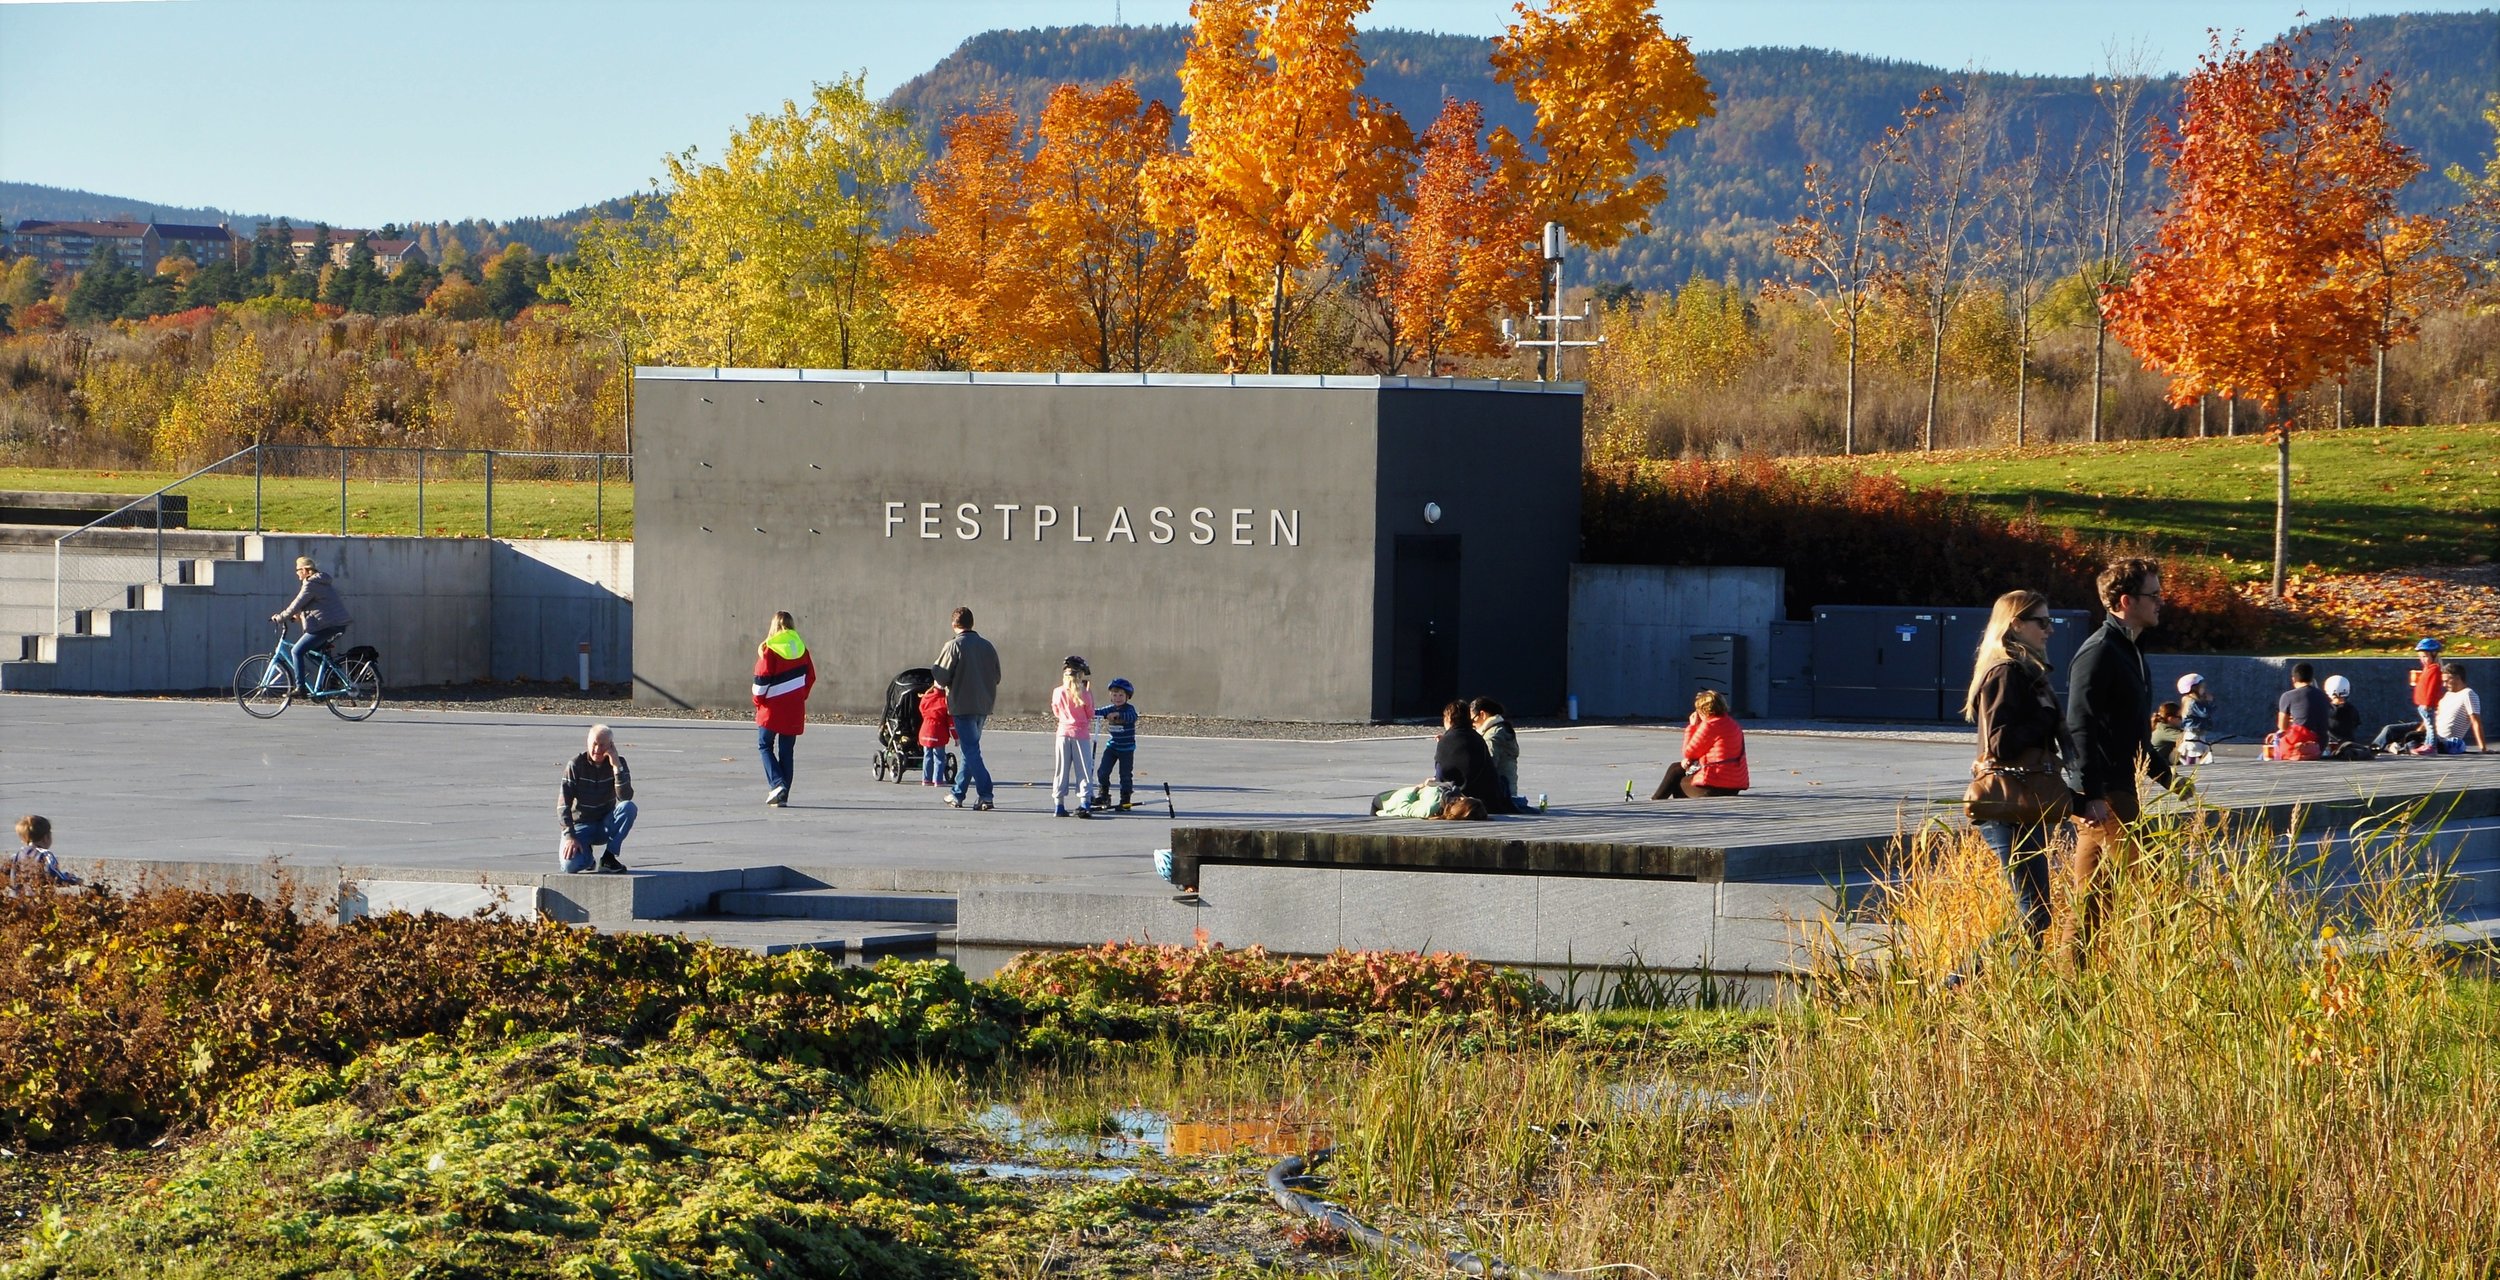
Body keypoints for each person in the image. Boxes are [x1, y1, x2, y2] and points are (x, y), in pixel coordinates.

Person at [2064, 556, 2171, 961]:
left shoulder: (2130, 650)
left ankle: (2070, 987)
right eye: (2153, 595)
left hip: (2118, 787)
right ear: (2126, 601)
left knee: (2092, 899)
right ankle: (2156, 974)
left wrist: (2171, 779)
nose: (2161, 601)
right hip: (2106, 793)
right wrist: (2089, 794)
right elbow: (2080, 727)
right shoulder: (2099, 652)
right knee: (2155, 882)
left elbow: (2131, 734)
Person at [1960, 590, 2067, 945]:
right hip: (2007, 804)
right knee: (2036, 914)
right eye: (2043, 622)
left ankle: (2009, 985)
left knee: (2037, 913)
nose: (2049, 630)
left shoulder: (2024, 671)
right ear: (2016, 624)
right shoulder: (2007, 672)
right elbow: (2002, 744)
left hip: (2021, 804)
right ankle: (1960, 981)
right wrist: (2048, 719)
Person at [932, 606, 1002, 811]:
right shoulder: (988, 646)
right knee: (969, 751)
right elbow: (997, 676)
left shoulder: (953, 646)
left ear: (954, 624)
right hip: (983, 705)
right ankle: (958, 793)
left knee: (971, 751)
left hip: (962, 705)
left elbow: (941, 675)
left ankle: (986, 794)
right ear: (972, 623)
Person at [752, 611, 814, 807]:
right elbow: (810, 677)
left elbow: (761, 680)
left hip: (771, 707)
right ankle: (783, 795)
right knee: (787, 751)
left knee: (764, 745)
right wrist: (800, 696)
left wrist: (758, 700)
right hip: (794, 707)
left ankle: (777, 784)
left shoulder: (769, 649)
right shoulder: (802, 649)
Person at [559, 724, 635, 874]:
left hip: (605, 823)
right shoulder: (575, 765)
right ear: (587, 742)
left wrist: (616, 767)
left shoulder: (619, 763)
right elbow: (563, 806)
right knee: (570, 866)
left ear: (611, 745)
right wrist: (569, 836)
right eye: (594, 744)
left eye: (602, 745)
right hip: (580, 825)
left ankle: (609, 858)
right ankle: (588, 858)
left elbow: (625, 796)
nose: (597, 749)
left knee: (629, 808)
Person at [1652, 689, 1750, 800]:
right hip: (1734, 785)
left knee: (1677, 780)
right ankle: (1656, 800)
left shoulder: (1710, 725)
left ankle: (1656, 802)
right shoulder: (1732, 724)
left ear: (1703, 710)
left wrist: (1692, 727)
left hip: (1714, 786)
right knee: (1676, 767)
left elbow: (1689, 752)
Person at [271, 555, 352, 685]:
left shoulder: (311, 584)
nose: (296, 573)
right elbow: (315, 605)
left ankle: (300, 687)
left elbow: (296, 604)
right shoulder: (320, 582)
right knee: (312, 652)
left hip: (326, 626)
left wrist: (280, 617)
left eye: (298, 570)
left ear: (304, 570)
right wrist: (297, 616)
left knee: (296, 651)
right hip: (334, 624)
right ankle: (333, 677)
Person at [1433, 699, 1516, 814]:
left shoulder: (1446, 741)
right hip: (1489, 799)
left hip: (1461, 802)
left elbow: (1440, 775)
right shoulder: (1479, 737)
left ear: (1449, 719)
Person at [1472, 698, 1541, 812]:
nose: (1472, 724)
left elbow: (1488, 765)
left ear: (1482, 714)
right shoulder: (1501, 728)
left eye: (1472, 720)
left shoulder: (1493, 735)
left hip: (1500, 794)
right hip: (1507, 790)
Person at [1050, 657, 1096, 818]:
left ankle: (1059, 804)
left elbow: (1056, 712)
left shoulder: (1058, 692)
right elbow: (1090, 713)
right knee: (1083, 769)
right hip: (1081, 734)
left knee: (1061, 769)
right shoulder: (1085, 693)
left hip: (1063, 733)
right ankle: (1085, 801)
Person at [1091, 677, 1140, 811]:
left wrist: (1118, 715)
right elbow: (1097, 713)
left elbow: (1133, 717)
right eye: (1115, 695)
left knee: (1125, 775)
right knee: (1103, 771)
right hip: (1112, 747)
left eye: (1121, 695)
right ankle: (1104, 794)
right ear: (1110, 696)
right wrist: (1086, 710)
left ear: (1127, 696)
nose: (1118, 698)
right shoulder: (1109, 709)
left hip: (1127, 749)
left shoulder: (1129, 709)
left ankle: (1125, 798)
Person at [2422, 665, 2487, 754]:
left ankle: (2406, 744)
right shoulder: (2448, 695)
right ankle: (2407, 743)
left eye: (2447, 681)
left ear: (2457, 678)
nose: (2444, 685)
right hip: (2432, 735)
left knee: (2406, 735)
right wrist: (2418, 731)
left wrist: (2483, 748)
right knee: (2400, 729)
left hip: (2445, 741)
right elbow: (2433, 717)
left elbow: (2475, 721)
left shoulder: (2468, 694)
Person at [2272, 662, 2330, 757]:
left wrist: (2292, 722)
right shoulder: (2323, 696)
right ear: (2312, 679)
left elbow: (2282, 727)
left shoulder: (2288, 696)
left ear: (2293, 679)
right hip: (2320, 744)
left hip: (2298, 744)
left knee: (2275, 740)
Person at [10, 815, 80, 893]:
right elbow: (54, 875)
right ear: (46, 837)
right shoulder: (46, 855)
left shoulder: (17, 855)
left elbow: (13, 877)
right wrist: (73, 880)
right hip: (40, 897)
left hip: (21, 898)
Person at [917, 681, 954, 786]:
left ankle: (926, 779)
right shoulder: (946, 701)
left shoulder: (926, 697)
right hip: (939, 732)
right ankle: (938, 780)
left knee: (927, 756)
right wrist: (956, 737)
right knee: (939, 757)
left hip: (925, 730)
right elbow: (951, 722)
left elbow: (922, 710)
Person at [2176, 673, 2217, 765]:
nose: (2204, 689)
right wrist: (2209, 702)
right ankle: (2189, 770)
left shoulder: (2190, 700)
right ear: (2193, 688)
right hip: (2194, 733)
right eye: (2201, 686)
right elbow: (2205, 713)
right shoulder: (2192, 701)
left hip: (2197, 733)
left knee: (2198, 753)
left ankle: (2190, 768)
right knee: (2193, 753)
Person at [2410, 638, 2446, 738]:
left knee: (2430, 726)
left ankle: (2431, 745)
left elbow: (2432, 688)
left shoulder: (2434, 669)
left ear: (2434, 655)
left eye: (2425, 656)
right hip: (2422, 704)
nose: (2422, 660)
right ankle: (2428, 743)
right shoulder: (2428, 668)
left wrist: (2428, 703)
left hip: (2427, 705)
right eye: (2420, 657)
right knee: (2428, 724)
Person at [2323, 674, 2362, 751]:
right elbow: (2356, 724)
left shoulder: (2325, 709)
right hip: (2348, 746)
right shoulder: (2352, 709)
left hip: (2328, 747)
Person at [2150, 702, 2185, 774]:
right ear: (2170, 718)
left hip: (2158, 766)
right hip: (2158, 770)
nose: (2182, 719)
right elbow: (2189, 738)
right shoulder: (2165, 731)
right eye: (2180, 717)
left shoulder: (2159, 726)